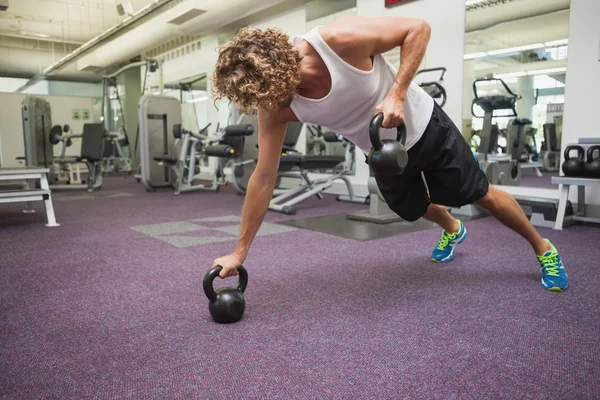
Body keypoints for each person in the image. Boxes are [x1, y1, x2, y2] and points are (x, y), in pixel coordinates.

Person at [210, 16, 568, 292]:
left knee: (480, 195)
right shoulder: (274, 106)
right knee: (411, 207)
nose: (273, 104)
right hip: (381, 151)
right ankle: (453, 227)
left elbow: (417, 28)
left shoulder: (337, 42)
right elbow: (264, 177)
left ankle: (544, 249)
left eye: (274, 93)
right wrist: (239, 252)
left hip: (426, 125)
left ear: (284, 67)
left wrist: (397, 93)